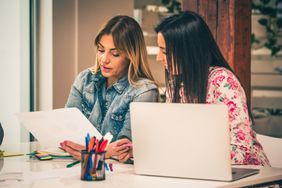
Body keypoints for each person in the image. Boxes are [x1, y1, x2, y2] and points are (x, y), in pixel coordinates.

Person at [154, 11, 270, 166]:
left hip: (248, 174)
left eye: (165, 51)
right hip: (199, 169)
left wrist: (186, 154)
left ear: (190, 50)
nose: (158, 57)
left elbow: (242, 151)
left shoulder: (223, 82)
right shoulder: (177, 83)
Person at [60, 15, 158, 163]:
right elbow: (66, 128)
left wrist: (92, 152)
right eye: (101, 50)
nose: (104, 59)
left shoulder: (144, 91)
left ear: (131, 56)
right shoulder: (84, 79)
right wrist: (104, 150)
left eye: (115, 53)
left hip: (119, 175)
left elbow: (124, 148)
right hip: (76, 164)